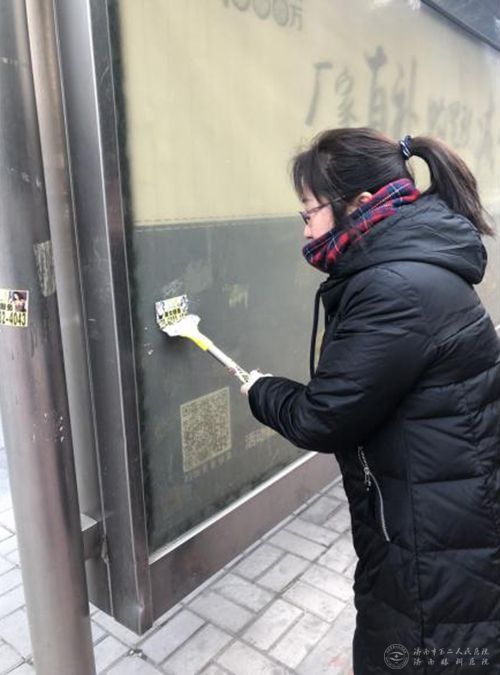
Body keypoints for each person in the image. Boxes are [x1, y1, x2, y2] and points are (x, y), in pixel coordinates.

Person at [241, 127, 500, 674]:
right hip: (448, 497)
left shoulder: (394, 287)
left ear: (360, 204)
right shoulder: (411, 261)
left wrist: (260, 390)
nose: (306, 228)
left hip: (431, 533)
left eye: (310, 211)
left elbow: (321, 418)